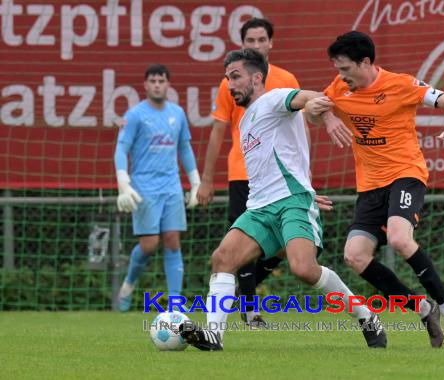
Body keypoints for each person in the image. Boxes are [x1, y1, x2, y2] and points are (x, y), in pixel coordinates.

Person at [180, 48, 386, 351]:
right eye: (226, 79)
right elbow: (280, 160)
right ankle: (214, 336)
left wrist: (325, 115)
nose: (230, 84)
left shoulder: (274, 99)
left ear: (257, 77)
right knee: (222, 259)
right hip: (260, 208)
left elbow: (307, 98)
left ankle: (365, 315)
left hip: (291, 202)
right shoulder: (245, 121)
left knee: (303, 269)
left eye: (235, 77)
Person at [305, 31, 444, 346]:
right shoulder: (340, 88)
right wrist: (326, 118)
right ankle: (422, 307)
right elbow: (312, 105)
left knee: (398, 237)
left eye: (345, 69)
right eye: (338, 70)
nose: (341, 77)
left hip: (405, 175)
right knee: (354, 256)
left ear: (365, 62)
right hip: (370, 186)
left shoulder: (400, 85)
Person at [197, 18, 303, 326]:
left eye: (261, 40)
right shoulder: (230, 83)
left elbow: (301, 128)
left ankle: (241, 295)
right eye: (250, 41)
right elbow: (218, 131)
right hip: (243, 174)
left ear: (271, 43)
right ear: (243, 44)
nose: (256, 45)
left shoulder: (285, 79)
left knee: (284, 249)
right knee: (239, 239)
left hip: (283, 179)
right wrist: (206, 179)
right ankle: (251, 310)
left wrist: (304, 174)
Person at [114, 64, 201, 312]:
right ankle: (128, 284)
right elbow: (121, 148)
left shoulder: (178, 113)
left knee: (173, 241)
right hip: (144, 187)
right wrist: (123, 181)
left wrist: (195, 181)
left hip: (171, 185)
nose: (157, 85)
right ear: (145, 85)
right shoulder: (134, 115)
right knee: (150, 244)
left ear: (167, 84)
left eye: (161, 80)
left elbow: (184, 148)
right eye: (152, 81)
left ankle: (175, 303)